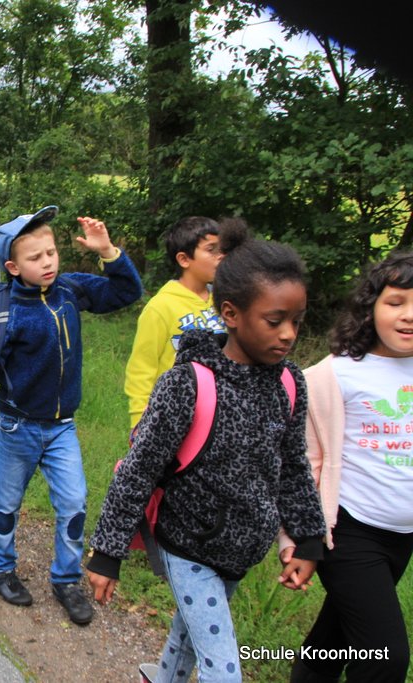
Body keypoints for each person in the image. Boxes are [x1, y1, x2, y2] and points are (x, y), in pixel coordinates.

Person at [87, 222, 327, 683]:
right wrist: (108, 552)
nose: (288, 334)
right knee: (223, 668)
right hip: (187, 543)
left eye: (296, 321)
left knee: (186, 639)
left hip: (241, 548)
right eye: (274, 321)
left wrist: (307, 537)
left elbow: (293, 465)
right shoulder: (188, 383)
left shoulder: (289, 382)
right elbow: (139, 470)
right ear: (231, 314)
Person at [0, 206, 142, 625]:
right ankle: (1, 569)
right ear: (13, 267)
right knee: (7, 504)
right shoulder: (4, 308)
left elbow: (125, 293)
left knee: (74, 503)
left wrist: (109, 253)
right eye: (35, 257)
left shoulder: (69, 290)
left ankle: (65, 580)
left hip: (62, 428)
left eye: (51, 253)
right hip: (18, 426)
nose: (48, 262)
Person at [284, 251, 413, 683]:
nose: (408, 315)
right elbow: (301, 467)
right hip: (350, 532)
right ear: (370, 307)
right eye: (396, 302)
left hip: (402, 537)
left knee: (334, 637)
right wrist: (302, 542)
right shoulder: (333, 376)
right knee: (385, 658)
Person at [125, 217, 226, 429]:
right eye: (211, 250)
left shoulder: (225, 302)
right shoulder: (161, 307)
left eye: (222, 249)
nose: (221, 256)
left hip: (222, 415)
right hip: (176, 416)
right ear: (184, 259)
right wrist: (139, 424)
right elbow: (141, 370)